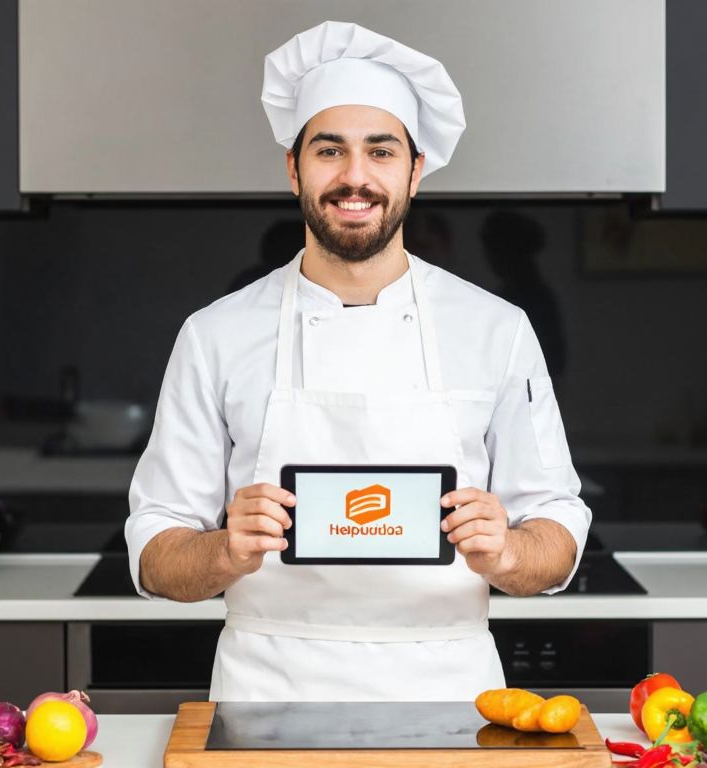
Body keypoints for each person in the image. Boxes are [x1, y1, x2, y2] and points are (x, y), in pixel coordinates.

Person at [126, 21, 591, 702]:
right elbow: (155, 546)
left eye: (380, 151)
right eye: (328, 151)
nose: (354, 177)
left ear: (415, 169)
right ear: (293, 168)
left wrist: (512, 551)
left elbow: (557, 529)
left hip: (453, 693)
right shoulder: (215, 335)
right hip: (267, 691)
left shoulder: (497, 330)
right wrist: (223, 549)